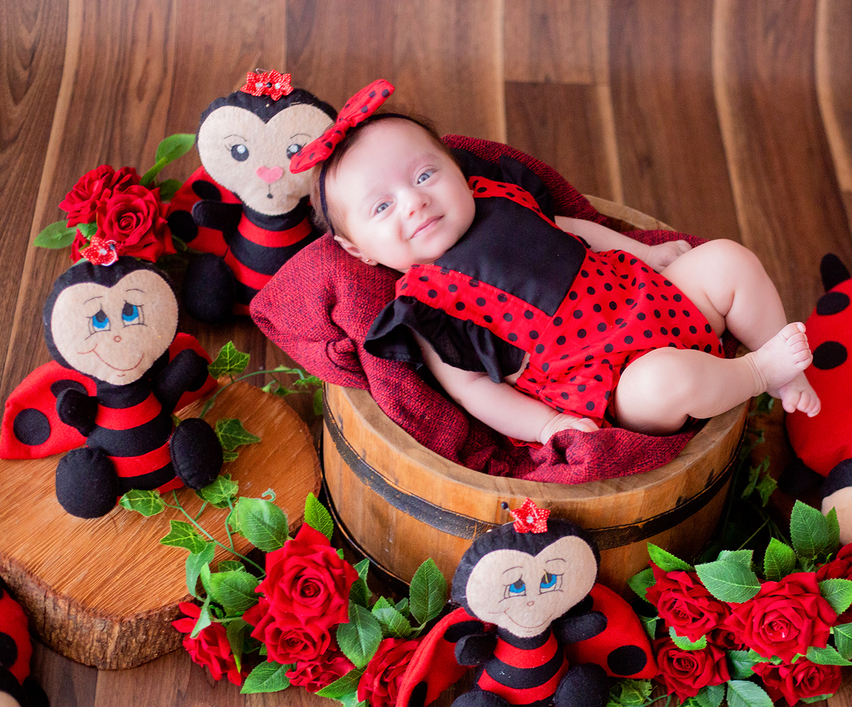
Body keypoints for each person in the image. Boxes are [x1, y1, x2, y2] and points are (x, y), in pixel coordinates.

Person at [292, 81, 820, 444]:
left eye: (425, 175)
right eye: (381, 207)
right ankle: (756, 371)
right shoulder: (426, 305)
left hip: (650, 297)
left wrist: (645, 253)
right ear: (358, 249)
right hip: (613, 381)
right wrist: (547, 427)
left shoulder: (499, 196)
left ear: (455, 168)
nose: (414, 202)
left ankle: (782, 369)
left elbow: (572, 230)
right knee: (667, 380)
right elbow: (475, 390)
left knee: (728, 259)